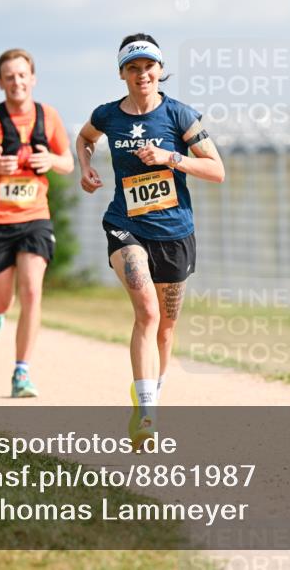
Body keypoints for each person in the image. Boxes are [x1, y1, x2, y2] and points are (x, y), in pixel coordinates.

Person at [76, 33, 225, 447]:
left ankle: (153, 396)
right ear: (122, 74)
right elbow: (85, 138)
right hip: (126, 225)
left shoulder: (179, 116)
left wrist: (171, 158)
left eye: (149, 67)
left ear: (160, 71)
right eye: (133, 68)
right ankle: (144, 414)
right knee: (146, 311)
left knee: (166, 325)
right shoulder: (107, 116)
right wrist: (85, 167)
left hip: (175, 231)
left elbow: (217, 170)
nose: (142, 74)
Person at [0, 49, 74, 397]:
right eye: (9, 76)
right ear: (0, 82)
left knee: (32, 290)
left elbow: (67, 162)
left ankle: (22, 372)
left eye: (22, 75)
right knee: (4, 301)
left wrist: (50, 158)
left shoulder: (48, 117)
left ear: (32, 78)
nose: (17, 82)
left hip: (34, 217)